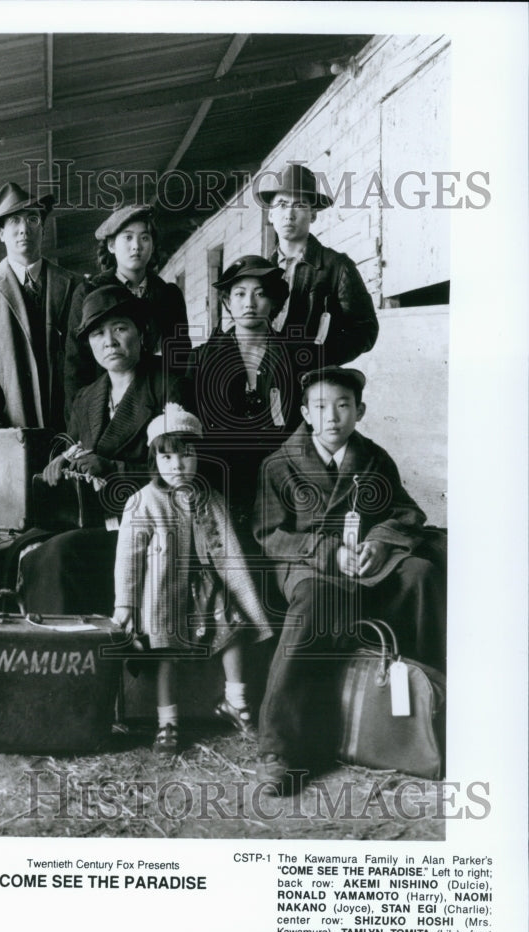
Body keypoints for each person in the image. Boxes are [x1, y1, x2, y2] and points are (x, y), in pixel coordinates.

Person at [251, 366, 446, 791]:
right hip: (310, 565)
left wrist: (378, 543)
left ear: (360, 410)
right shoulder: (279, 465)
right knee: (316, 602)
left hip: (366, 562)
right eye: (321, 407)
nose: (333, 417)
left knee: (421, 574)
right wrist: (329, 553)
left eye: (343, 406)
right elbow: (270, 534)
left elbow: (405, 513)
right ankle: (281, 750)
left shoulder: (373, 458)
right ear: (305, 412)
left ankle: (426, 717)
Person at [19, 284, 192, 617]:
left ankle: (70, 650)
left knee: (61, 552)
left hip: (149, 523)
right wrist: (60, 463)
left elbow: (182, 472)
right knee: (23, 547)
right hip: (93, 518)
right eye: (97, 333)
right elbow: (72, 448)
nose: (109, 341)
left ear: (142, 334)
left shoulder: (168, 386)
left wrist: (111, 468)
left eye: (120, 328)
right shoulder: (86, 397)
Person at [113, 404, 273, 753]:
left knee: (232, 631)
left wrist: (243, 593)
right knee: (165, 651)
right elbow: (128, 558)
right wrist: (125, 605)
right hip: (163, 592)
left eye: (186, 456)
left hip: (207, 589)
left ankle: (236, 700)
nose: (177, 465)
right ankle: (167, 724)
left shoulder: (211, 499)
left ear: (199, 457)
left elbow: (230, 551)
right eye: (167, 457)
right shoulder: (143, 502)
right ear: (154, 460)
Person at [186, 256, 291, 541]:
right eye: (240, 294)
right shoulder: (201, 360)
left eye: (260, 294)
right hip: (220, 483)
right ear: (227, 302)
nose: (249, 303)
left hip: (282, 482)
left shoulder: (294, 357)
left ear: (274, 302)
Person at [63, 204, 191, 420]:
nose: (137, 247)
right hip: (105, 407)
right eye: (128, 238)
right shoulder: (89, 292)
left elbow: (179, 358)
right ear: (111, 245)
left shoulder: (168, 295)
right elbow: (76, 366)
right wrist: (78, 423)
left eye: (145, 238)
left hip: (156, 403)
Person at [257, 162, 378, 382]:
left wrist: (318, 359)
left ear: (313, 214)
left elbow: (365, 331)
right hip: (267, 383)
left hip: (315, 385)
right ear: (270, 215)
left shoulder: (337, 267)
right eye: (282, 205)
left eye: (300, 205)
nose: (289, 214)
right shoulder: (259, 272)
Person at [0, 181, 78, 431]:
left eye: (32, 219)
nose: (24, 229)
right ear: (1, 233)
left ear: (43, 228)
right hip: (7, 419)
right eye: (14, 221)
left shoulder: (74, 284)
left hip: (66, 418)